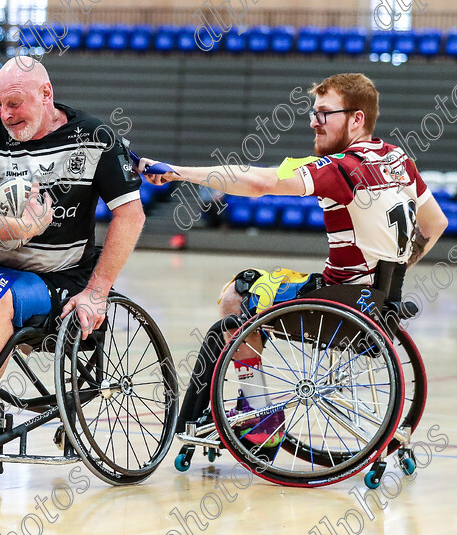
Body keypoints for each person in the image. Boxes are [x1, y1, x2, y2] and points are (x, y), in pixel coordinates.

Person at [140, 73, 449, 447]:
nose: (313, 122)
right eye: (313, 113)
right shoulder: (398, 160)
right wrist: (395, 273)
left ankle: (259, 414)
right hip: (380, 304)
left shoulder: (341, 170)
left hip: (339, 305)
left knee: (236, 296)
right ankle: (255, 410)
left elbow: (258, 184)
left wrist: (178, 173)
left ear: (357, 119)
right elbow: (435, 223)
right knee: (269, 290)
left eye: (324, 114)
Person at [0, 56, 146, 447]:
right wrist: (14, 228)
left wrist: (97, 291)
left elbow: (131, 215)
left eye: (15, 104)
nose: (5, 114)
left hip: (59, 277)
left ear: (45, 94)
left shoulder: (95, 137)